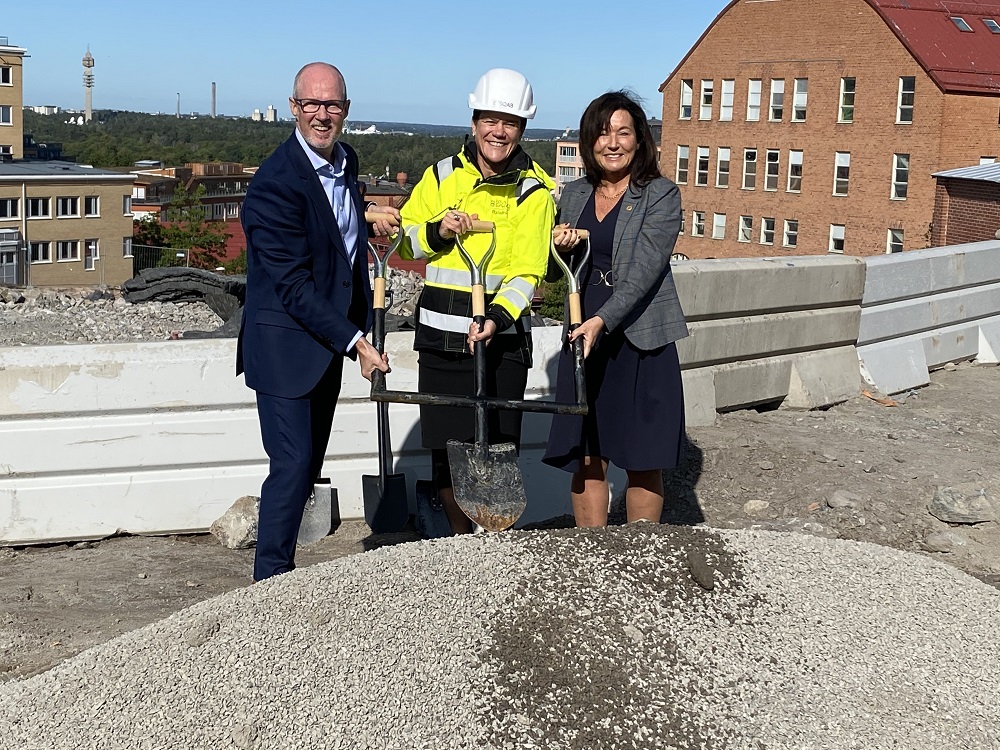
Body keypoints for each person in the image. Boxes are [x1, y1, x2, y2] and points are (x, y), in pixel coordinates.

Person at [238, 62, 400, 581]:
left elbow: (336, 222)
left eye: (332, 105)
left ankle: (281, 580)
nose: (322, 114)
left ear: (346, 111)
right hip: (285, 347)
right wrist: (356, 342)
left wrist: (367, 211)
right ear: (294, 108)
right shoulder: (273, 184)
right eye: (312, 104)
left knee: (306, 470)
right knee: (290, 467)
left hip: (324, 346)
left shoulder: (345, 162)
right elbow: (293, 286)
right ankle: (268, 586)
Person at [400, 68, 556, 534]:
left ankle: (492, 544)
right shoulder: (441, 176)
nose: (498, 131)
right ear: (473, 122)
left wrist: (496, 316)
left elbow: (529, 270)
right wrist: (438, 230)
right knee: (447, 457)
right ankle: (461, 545)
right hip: (440, 342)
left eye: (509, 122)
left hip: (501, 343)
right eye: (490, 118)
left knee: (497, 454)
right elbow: (406, 244)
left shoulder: (535, 191)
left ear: (522, 129)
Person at [543, 90, 688, 527]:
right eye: (602, 134)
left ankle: (640, 554)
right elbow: (557, 276)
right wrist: (558, 249)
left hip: (639, 337)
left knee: (643, 456)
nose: (612, 143)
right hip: (583, 337)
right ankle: (594, 557)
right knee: (588, 451)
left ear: (639, 141)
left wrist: (602, 319)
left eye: (623, 133)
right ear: (589, 143)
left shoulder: (660, 195)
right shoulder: (573, 194)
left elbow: (644, 272)